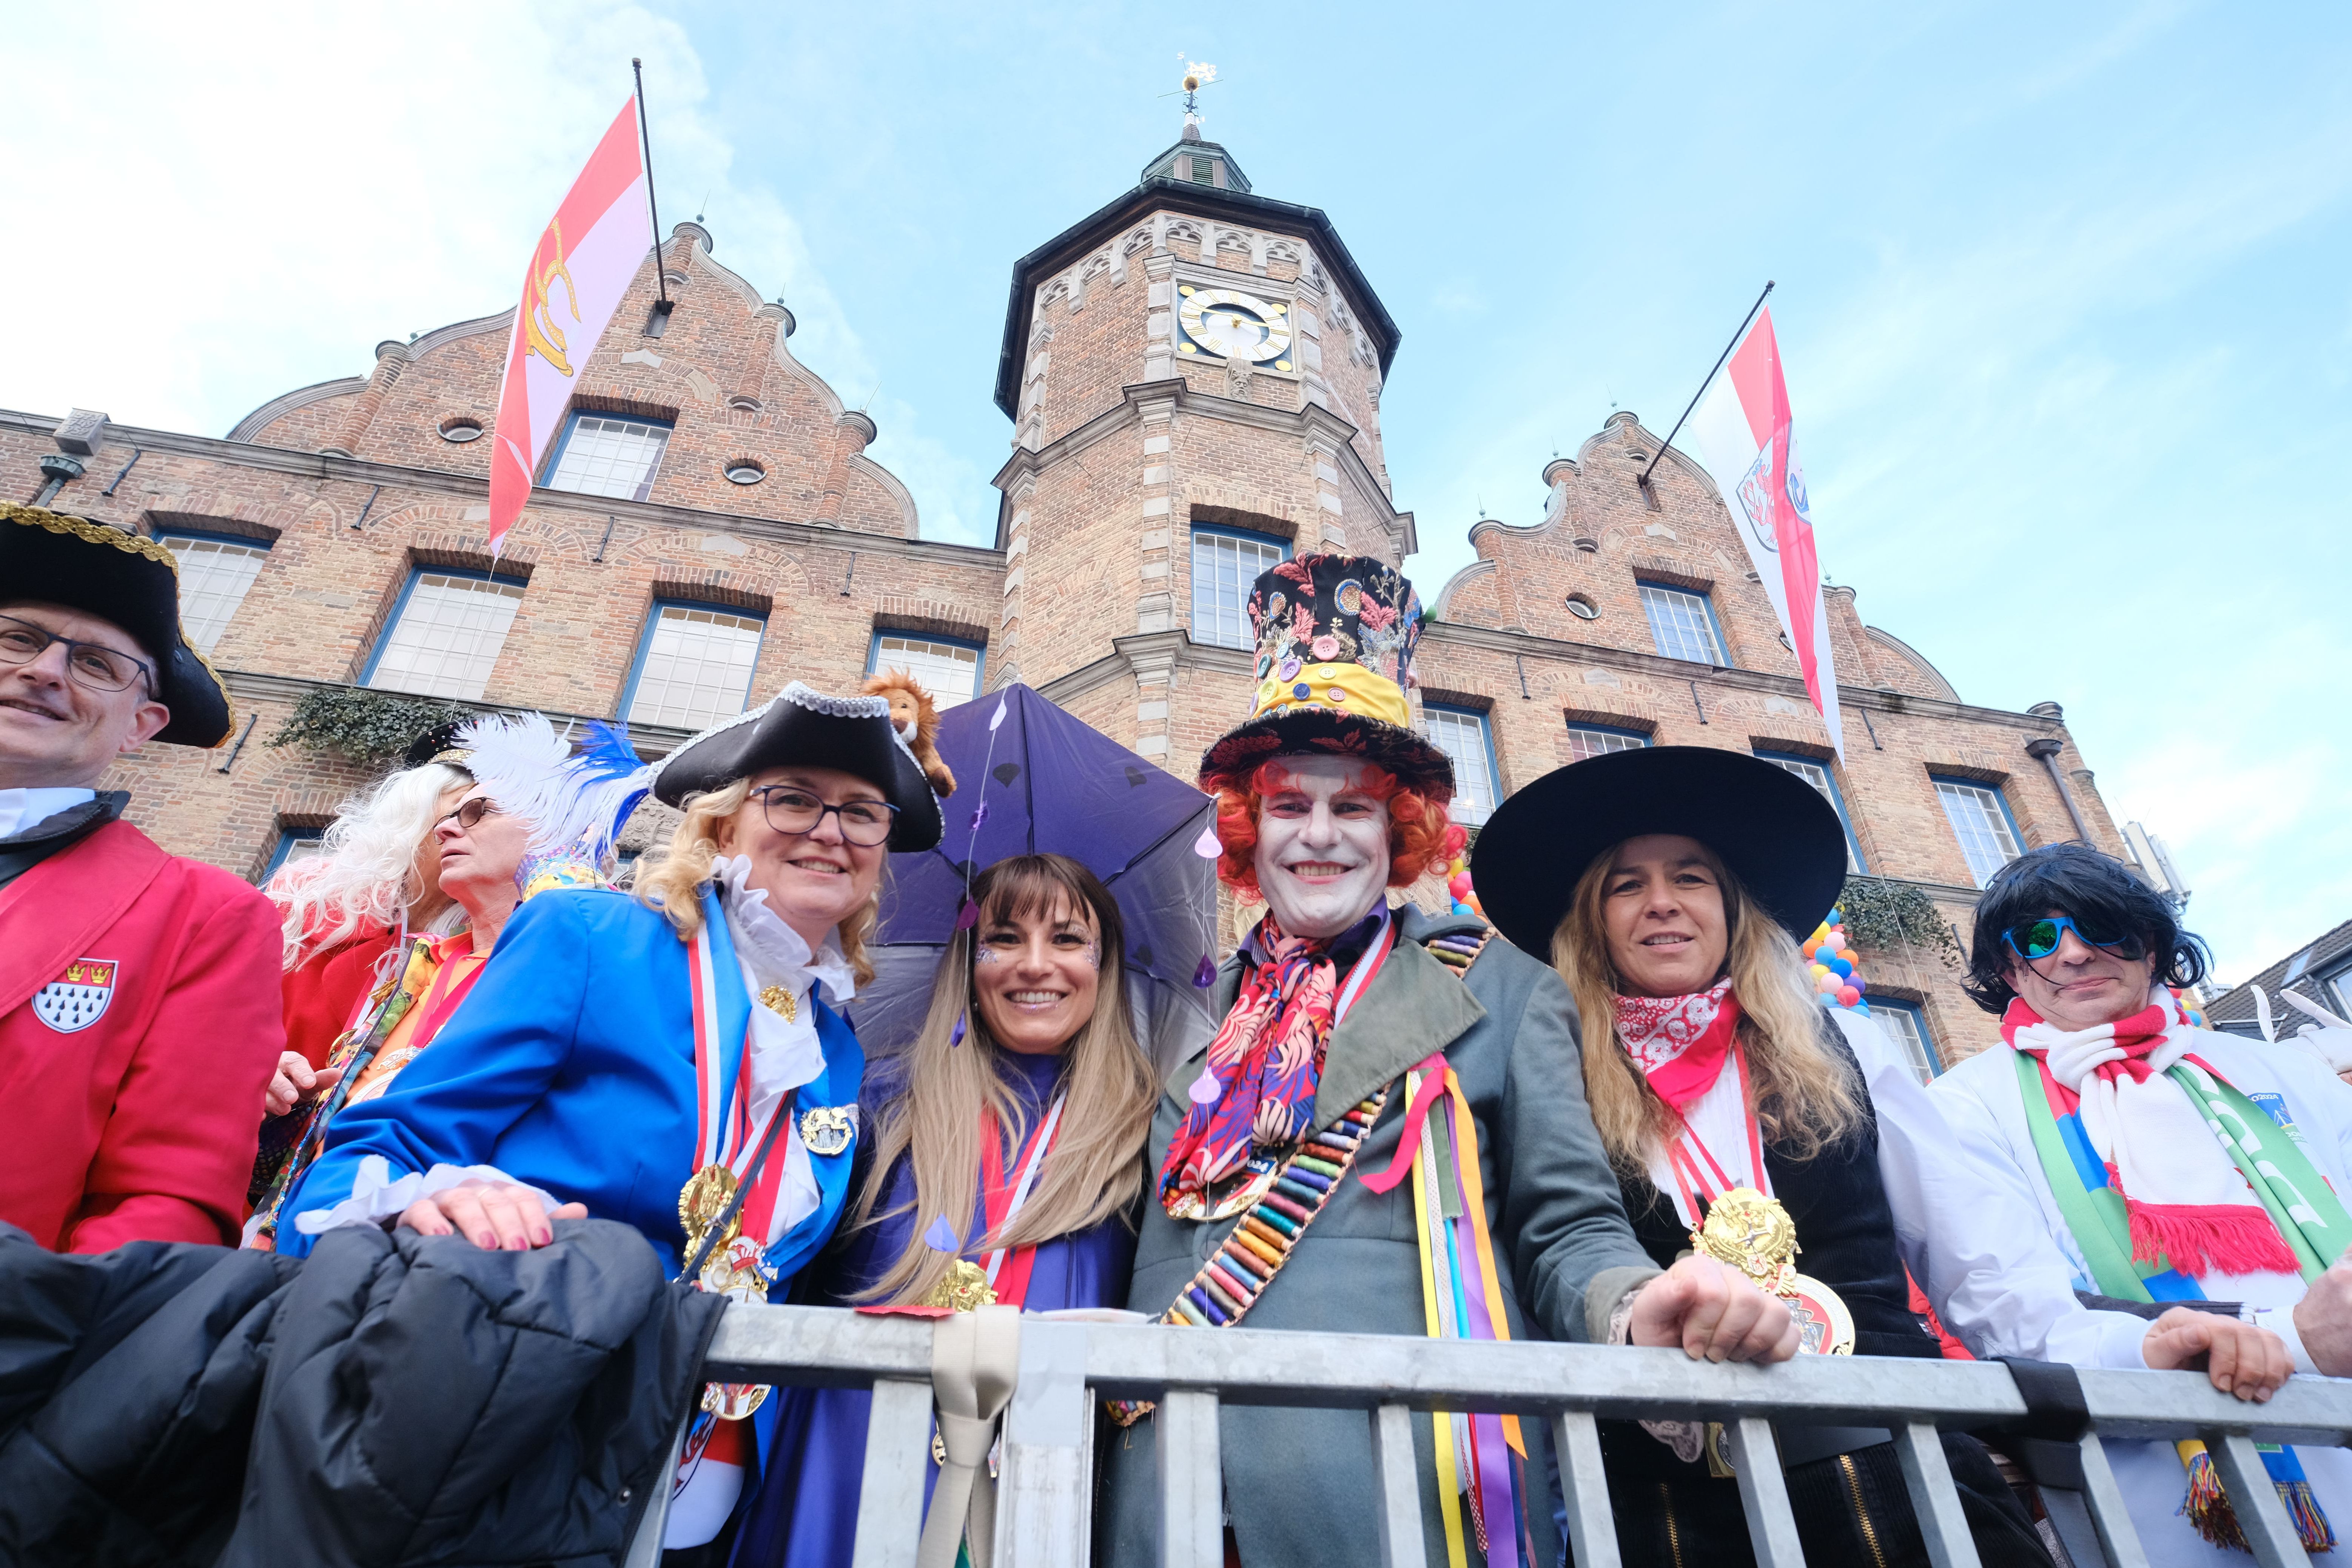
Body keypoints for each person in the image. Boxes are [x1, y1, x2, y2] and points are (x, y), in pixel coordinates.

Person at [1104, 555, 1797, 1568]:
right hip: (1165, 1502)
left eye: (1353, 809)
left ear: (1402, 830)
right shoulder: (1181, 1016)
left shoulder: (1506, 989)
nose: (1319, 836)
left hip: (1399, 1498)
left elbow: (1566, 1229)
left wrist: (1628, 1302)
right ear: (1252, 829)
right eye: (1290, 806)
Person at [275, 681, 942, 1549]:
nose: (831, 830)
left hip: (702, 1486)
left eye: (863, 813)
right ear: (724, 822)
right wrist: (432, 1197)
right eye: (794, 799)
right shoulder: (590, 933)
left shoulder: (835, 1042)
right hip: (514, 1432)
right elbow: (376, 1148)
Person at [733, 852, 1158, 1565]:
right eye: (1002, 938)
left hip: (1038, 1477)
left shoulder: (1148, 1132)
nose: (1033, 964)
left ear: (1104, 964)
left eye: (1066, 938)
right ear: (968, 959)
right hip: (852, 1465)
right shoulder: (874, 1103)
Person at [1932, 843, 2352, 1562]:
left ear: (2152, 944)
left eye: (2101, 925)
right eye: (2037, 938)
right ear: (2008, 970)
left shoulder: (2281, 1069)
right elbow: (2013, 1321)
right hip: (2163, 1498)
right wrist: (2290, 1337)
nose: (2071, 953)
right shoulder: (1962, 1108)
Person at [0, 501, 283, 1252]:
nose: (43, 671)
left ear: (142, 725)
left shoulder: (207, 916)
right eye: (17, 637)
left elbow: (165, 1204)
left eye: (95, 663)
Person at [245, 711, 611, 1248]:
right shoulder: (415, 966)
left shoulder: (589, 965)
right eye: (452, 811)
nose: (448, 829)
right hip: (301, 1242)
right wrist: (281, 1098)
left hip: (459, 1254)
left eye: (478, 811)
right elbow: (339, 1122)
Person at [259, 722, 471, 1117]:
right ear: (418, 813)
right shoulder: (309, 897)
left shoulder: (493, 942)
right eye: (467, 808)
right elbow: (224, 1015)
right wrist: (256, 1065)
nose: (473, 827)